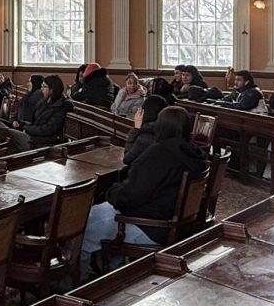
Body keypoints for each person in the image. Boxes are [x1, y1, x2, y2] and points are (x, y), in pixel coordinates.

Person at [81, 106, 209, 271]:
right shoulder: (195, 154)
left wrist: (110, 193)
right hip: (182, 225)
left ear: (160, 126)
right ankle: (115, 265)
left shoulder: (159, 154)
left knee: (85, 223)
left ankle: (77, 279)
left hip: (154, 227)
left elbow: (131, 196)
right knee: (101, 214)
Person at [6, 75, 72, 152]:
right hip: (33, 135)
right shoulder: (43, 102)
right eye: (41, 86)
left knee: (9, 133)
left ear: (52, 89)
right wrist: (21, 125)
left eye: (44, 87)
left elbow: (48, 129)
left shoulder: (60, 107)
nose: (41, 89)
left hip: (42, 141)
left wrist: (27, 129)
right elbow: (33, 120)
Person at [122, 94, 168, 166]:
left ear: (145, 111)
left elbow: (127, 159)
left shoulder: (147, 135)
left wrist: (136, 129)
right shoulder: (168, 129)